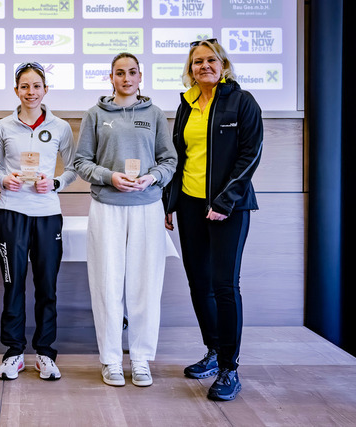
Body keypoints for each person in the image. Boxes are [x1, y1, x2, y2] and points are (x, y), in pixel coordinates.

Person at [163, 39, 263, 401]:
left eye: (210, 60)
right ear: (190, 69)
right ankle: (214, 350)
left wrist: (225, 200)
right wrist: (169, 203)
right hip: (190, 207)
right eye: (197, 62)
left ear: (223, 65)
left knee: (224, 285)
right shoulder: (186, 104)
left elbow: (251, 155)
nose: (203, 66)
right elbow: (179, 158)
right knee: (199, 284)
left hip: (229, 208)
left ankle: (229, 368)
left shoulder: (242, 101)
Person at [74, 52, 177, 387]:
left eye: (132, 72)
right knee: (107, 283)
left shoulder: (155, 114)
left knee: (145, 285)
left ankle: (141, 359)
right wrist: (110, 177)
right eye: (120, 73)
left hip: (147, 207)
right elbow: (81, 162)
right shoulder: (95, 115)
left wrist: (153, 178)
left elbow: (169, 160)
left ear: (140, 77)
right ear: (111, 77)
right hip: (108, 207)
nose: (126, 78)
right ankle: (111, 360)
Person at [0, 62, 77, 381]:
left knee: (47, 287)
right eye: (24, 86)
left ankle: (45, 352)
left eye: (36, 86)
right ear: (16, 90)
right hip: (11, 212)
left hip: (47, 215)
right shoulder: (2, 126)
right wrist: (4, 179)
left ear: (45, 89)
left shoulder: (61, 127)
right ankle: (13, 352)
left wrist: (55, 183)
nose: (31, 92)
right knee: (12, 286)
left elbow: (74, 168)